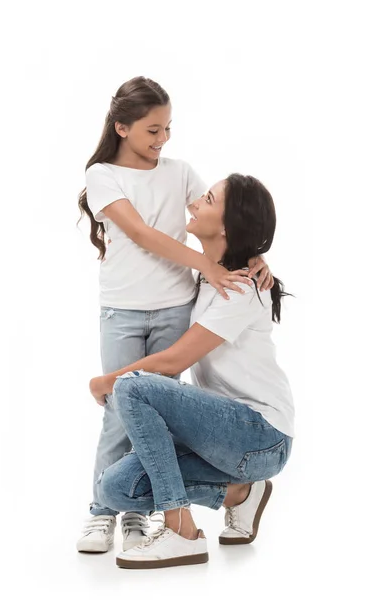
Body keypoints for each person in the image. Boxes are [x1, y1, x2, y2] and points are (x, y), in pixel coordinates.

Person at [77, 76, 272, 553]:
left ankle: (140, 515)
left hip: (174, 310)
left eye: (167, 128)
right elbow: (142, 234)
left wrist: (257, 257)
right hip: (121, 311)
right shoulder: (102, 175)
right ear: (121, 127)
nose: (162, 140)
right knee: (118, 414)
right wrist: (206, 263)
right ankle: (103, 513)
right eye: (152, 131)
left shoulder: (180, 171)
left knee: (154, 414)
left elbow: (224, 218)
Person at [89, 173, 295, 569]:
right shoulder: (209, 276)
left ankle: (180, 531)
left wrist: (106, 381)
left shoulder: (243, 286)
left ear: (227, 224)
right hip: (219, 439)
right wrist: (251, 251)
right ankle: (238, 494)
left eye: (207, 199)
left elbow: (174, 361)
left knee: (132, 387)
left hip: (260, 435)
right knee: (115, 487)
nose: (194, 204)